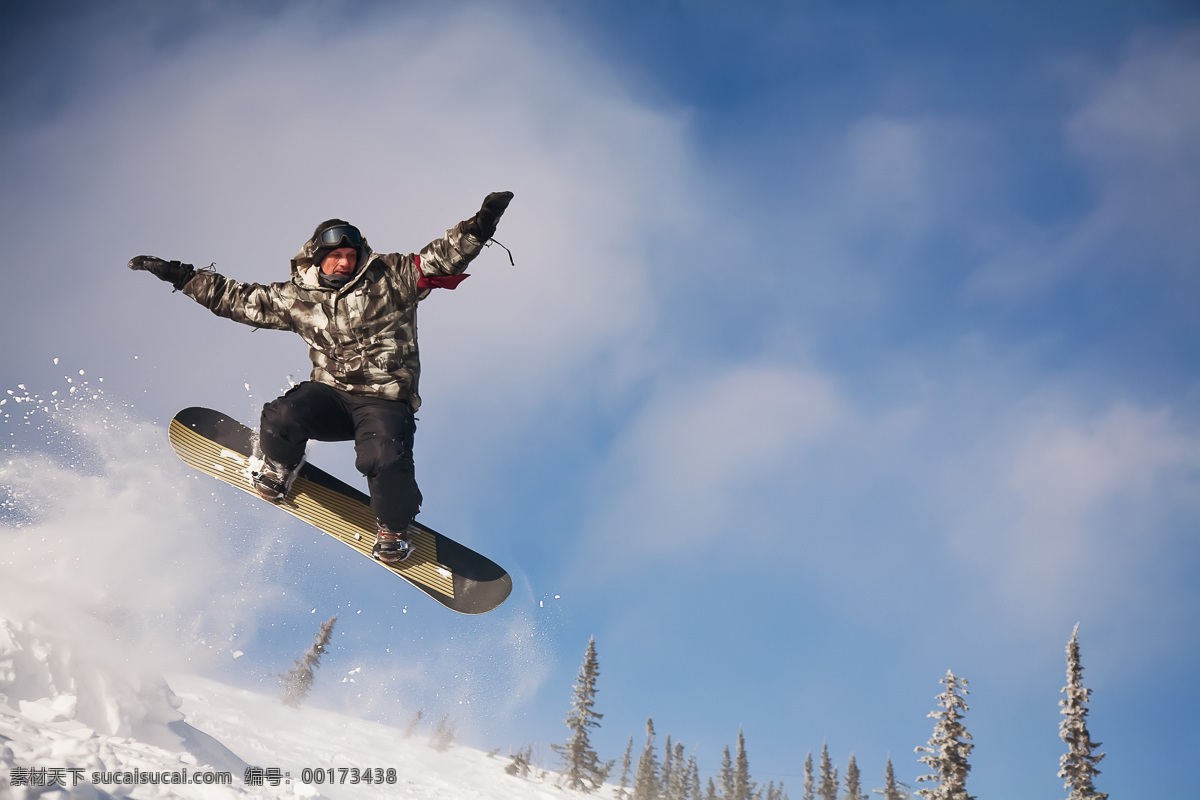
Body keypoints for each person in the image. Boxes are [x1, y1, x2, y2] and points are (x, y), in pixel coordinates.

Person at [129, 191, 514, 563]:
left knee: (384, 457)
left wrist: (480, 226)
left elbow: (440, 260)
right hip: (330, 395)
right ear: (318, 258)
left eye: (351, 255)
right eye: (336, 257)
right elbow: (237, 300)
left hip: (383, 401)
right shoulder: (297, 297)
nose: (344, 263)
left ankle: (394, 529)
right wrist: (178, 275)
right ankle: (279, 466)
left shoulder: (392, 276)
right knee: (283, 414)